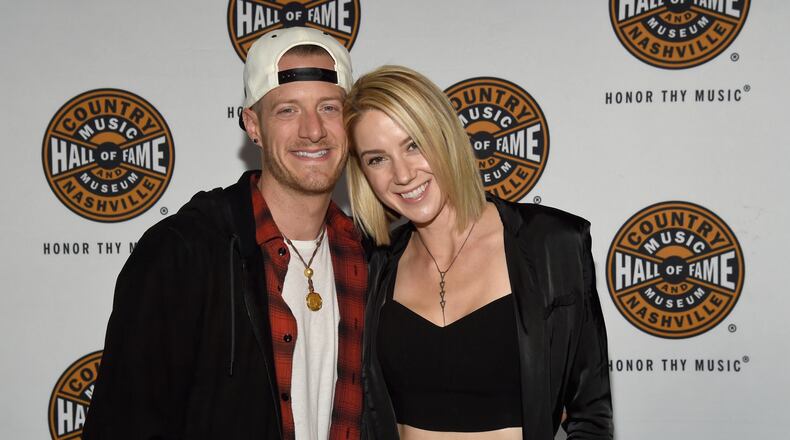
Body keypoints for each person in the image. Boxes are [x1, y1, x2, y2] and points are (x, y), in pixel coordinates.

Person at [83, 27, 367, 440]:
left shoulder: (369, 254)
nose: (313, 130)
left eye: (329, 108)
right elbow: (124, 423)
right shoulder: (183, 253)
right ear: (253, 126)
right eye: (287, 110)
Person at [343, 66, 613, 440]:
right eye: (377, 159)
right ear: (362, 172)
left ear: (446, 137)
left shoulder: (552, 245)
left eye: (413, 144)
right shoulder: (372, 264)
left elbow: (590, 417)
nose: (402, 174)